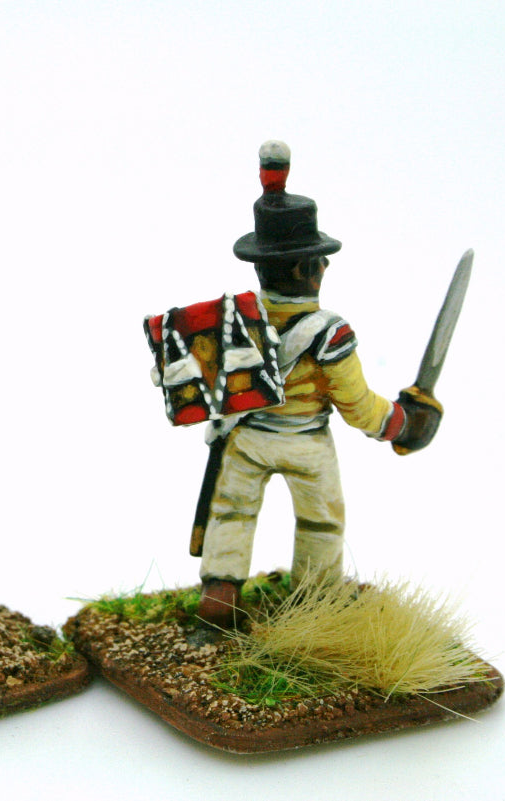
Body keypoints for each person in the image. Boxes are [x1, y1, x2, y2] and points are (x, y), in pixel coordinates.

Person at [194, 141, 440, 628]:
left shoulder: (234, 322)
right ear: (306, 269)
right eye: (319, 260)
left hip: (245, 439)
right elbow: (358, 407)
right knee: (321, 522)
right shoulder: (331, 333)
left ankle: (218, 597)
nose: (324, 267)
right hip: (307, 443)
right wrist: (404, 424)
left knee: (231, 513)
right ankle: (313, 602)